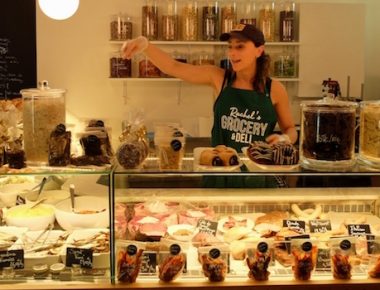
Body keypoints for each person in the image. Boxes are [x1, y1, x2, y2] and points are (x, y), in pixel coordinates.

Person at [121, 24, 297, 187]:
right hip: (218, 172)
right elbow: (173, 67)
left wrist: (285, 139)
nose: (232, 53)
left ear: (259, 50)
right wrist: (145, 46)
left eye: (240, 46)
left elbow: (290, 128)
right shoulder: (219, 78)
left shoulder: (275, 89)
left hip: (258, 176)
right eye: (230, 46)